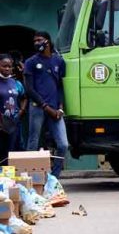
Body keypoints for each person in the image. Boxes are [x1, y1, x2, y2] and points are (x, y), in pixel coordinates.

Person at [24, 31, 69, 177]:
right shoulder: (30, 62)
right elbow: (29, 89)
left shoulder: (59, 61)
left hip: (56, 109)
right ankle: (30, 178)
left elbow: (61, 85)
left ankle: (54, 177)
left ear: (48, 41)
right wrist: (45, 106)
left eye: (40, 40)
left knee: (63, 145)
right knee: (33, 142)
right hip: (38, 108)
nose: (37, 43)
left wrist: (61, 106)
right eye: (35, 41)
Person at [0, 54, 26, 165]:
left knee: (12, 151)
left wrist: (21, 111)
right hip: (1, 124)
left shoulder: (16, 83)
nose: (7, 68)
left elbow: (24, 98)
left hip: (14, 123)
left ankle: (9, 180)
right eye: (4, 66)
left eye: (9, 66)